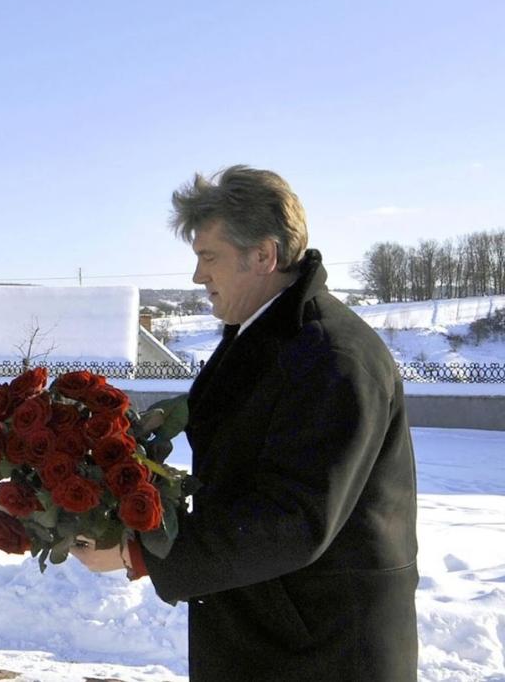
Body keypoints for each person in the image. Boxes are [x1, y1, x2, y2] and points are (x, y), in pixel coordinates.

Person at [72, 165, 418, 681]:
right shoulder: (267, 335)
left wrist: (142, 551)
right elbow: (245, 441)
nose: (197, 277)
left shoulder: (333, 357)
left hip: (325, 650)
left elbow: (294, 518)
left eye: (208, 258)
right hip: (275, 635)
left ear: (263, 254)